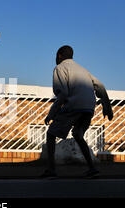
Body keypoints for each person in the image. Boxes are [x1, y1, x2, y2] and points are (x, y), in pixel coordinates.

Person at [41, 45, 113, 179]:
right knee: (78, 135)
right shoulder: (83, 70)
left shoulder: (60, 68)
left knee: (51, 134)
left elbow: (63, 94)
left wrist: (52, 113)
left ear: (59, 56)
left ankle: (51, 170)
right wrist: (107, 106)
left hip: (74, 105)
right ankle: (92, 169)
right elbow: (100, 86)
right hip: (89, 107)